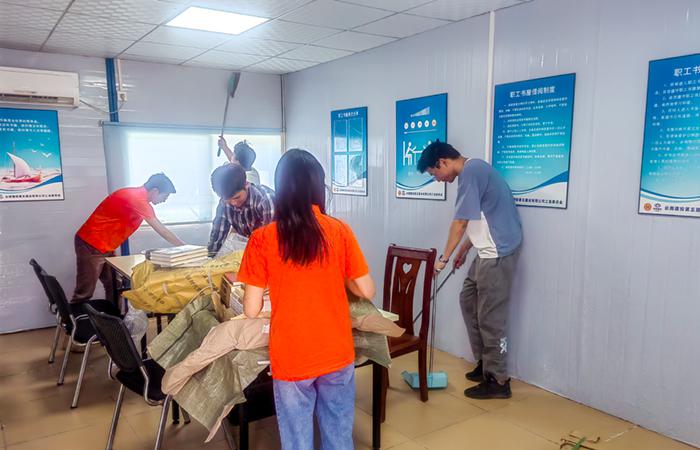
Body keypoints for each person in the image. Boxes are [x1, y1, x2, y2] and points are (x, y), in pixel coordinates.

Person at [237, 149, 375, 450]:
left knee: (297, 441)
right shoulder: (339, 230)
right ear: (317, 186)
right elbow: (367, 290)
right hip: (336, 351)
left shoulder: (262, 238)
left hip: (292, 356)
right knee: (339, 437)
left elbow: (251, 309)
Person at [417, 141, 522, 400]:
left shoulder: (471, 172)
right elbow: (479, 218)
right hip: (486, 250)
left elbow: (460, 222)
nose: (437, 179)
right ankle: (485, 363)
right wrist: (463, 250)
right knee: (467, 299)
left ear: (443, 162)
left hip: (498, 252)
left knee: (491, 317)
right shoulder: (473, 171)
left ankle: (498, 380)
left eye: (434, 173)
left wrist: (443, 258)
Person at [72, 173, 185, 303]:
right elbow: (162, 231)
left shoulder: (136, 196)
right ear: (155, 191)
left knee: (115, 286)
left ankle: (114, 315)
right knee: (84, 292)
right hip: (91, 244)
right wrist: (186, 248)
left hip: (105, 246)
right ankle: (71, 316)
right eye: (165, 196)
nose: (164, 200)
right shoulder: (137, 199)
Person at [207, 163, 275, 256]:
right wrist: (212, 258)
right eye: (228, 200)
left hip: (272, 250)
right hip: (251, 249)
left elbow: (271, 239)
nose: (234, 203)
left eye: (237, 197)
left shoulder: (266, 200)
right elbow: (218, 235)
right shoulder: (224, 203)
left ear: (247, 184)